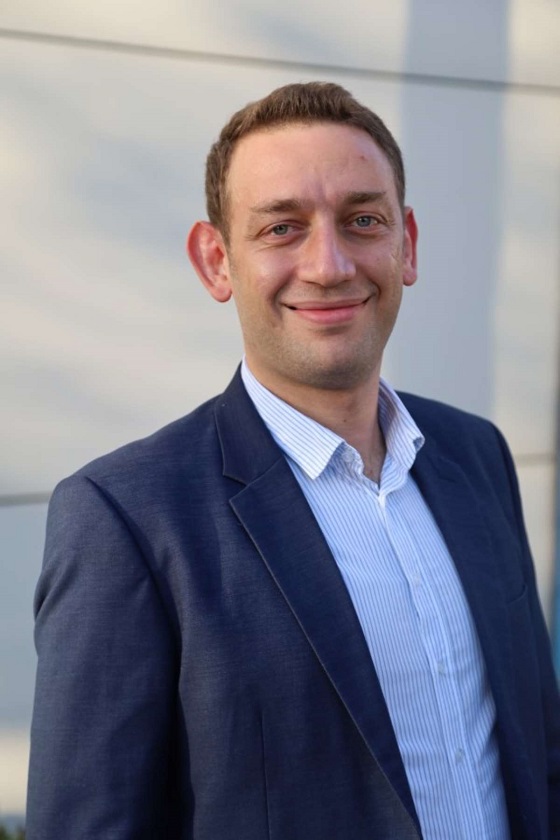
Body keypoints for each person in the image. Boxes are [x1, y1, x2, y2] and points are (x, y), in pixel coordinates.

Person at [27, 82, 559, 840]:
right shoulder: (127, 519)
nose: (330, 264)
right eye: (282, 228)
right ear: (216, 262)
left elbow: (537, 752)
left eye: (363, 220)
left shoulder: (476, 457)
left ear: (407, 244)